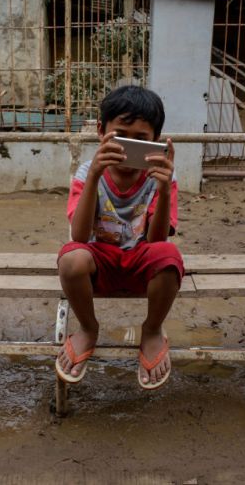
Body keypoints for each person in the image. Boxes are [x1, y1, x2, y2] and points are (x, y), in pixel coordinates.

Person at [55, 85, 184, 390]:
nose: (131, 146)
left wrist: (164, 191)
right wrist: (96, 176)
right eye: (122, 134)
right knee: (71, 257)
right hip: (99, 262)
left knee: (169, 256)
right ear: (102, 131)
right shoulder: (88, 172)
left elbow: (156, 244)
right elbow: (80, 235)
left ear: (156, 141)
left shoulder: (162, 177)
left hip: (142, 264)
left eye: (142, 139)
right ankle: (88, 327)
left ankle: (152, 330)